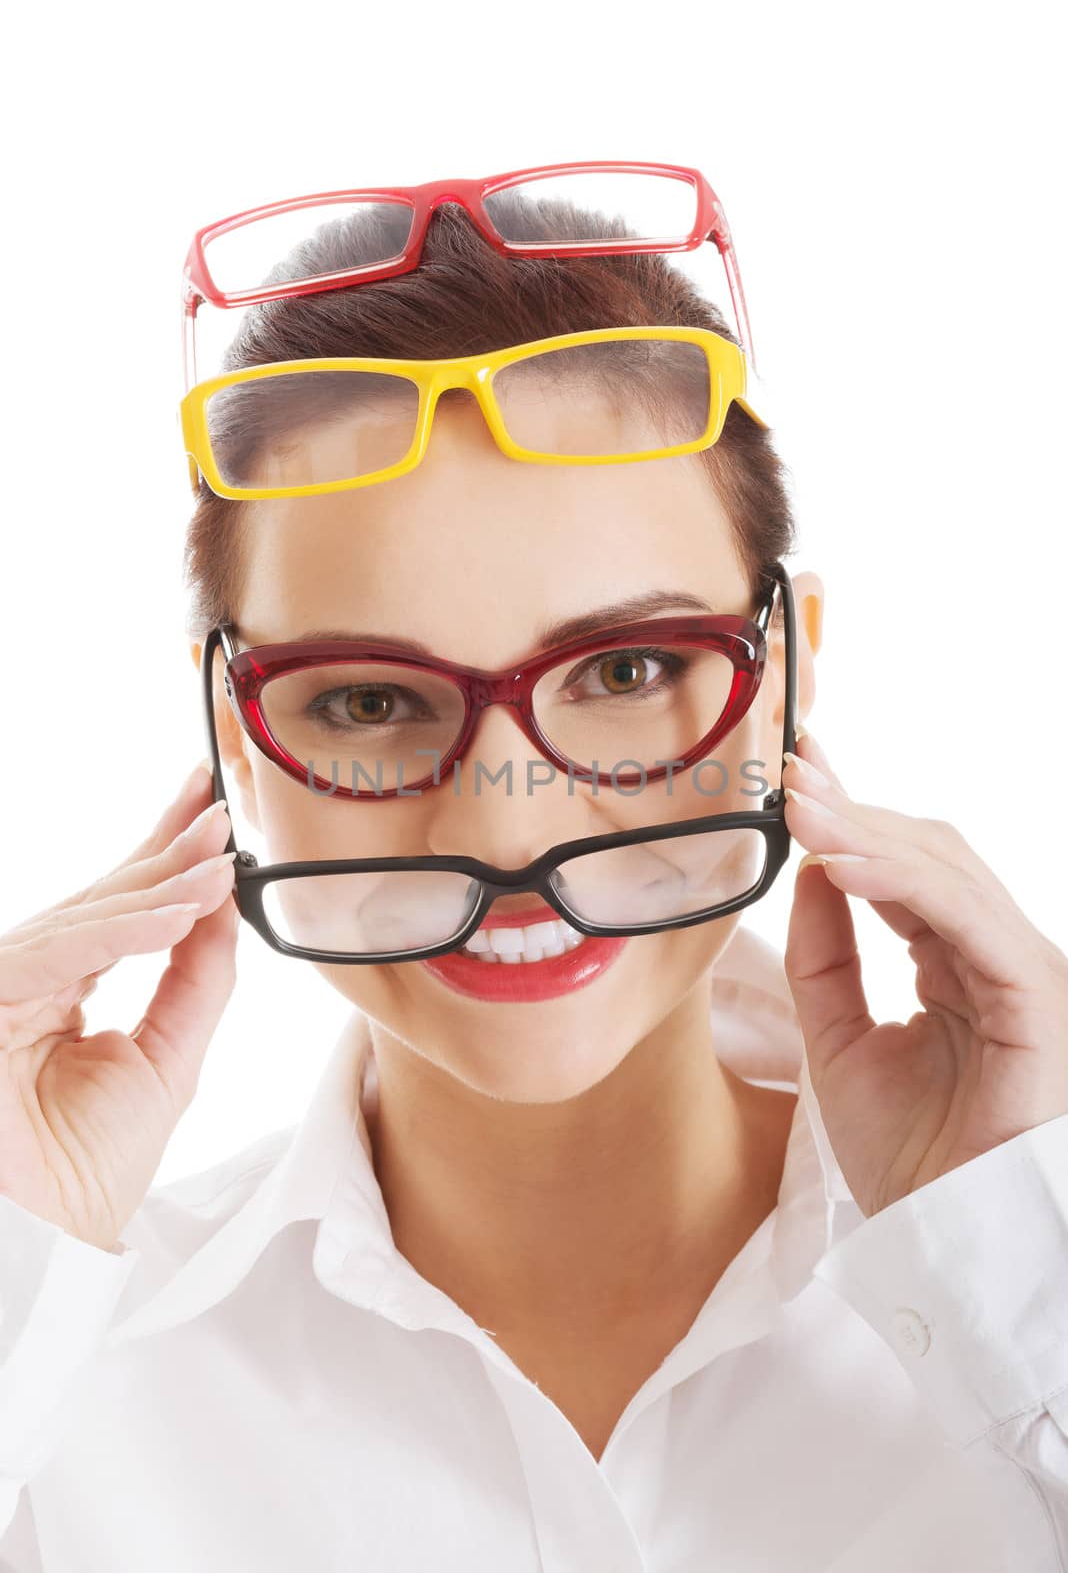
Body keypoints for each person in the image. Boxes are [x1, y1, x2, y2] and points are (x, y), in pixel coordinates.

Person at [2, 196, 1067, 1573]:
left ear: (784, 677)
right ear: (235, 746)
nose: (510, 835)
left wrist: (1018, 1262)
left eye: (626, 673)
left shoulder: (1027, 1290)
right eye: (372, 699)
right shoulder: (61, 1374)